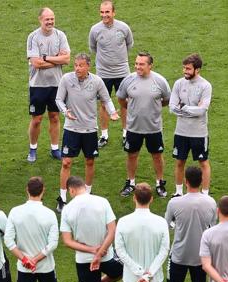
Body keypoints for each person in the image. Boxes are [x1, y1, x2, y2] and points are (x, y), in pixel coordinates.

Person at [60, 175, 121, 282]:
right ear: (84, 187)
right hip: (106, 255)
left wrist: (91, 251)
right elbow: (112, 230)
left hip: (84, 260)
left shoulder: (67, 209)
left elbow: (67, 241)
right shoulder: (102, 201)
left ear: (71, 190)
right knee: (123, 270)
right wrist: (100, 251)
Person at [55, 53, 119, 212]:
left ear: (88, 66)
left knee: (90, 161)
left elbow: (106, 99)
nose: (77, 68)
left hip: (90, 129)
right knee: (66, 162)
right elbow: (58, 100)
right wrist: (65, 112)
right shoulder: (66, 79)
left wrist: (112, 113)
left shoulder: (97, 81)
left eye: (81, 65)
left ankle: (87, 194)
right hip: (71, 128)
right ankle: (62, 198)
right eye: (76, 65)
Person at [162, 166, 216, 282]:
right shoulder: (210, 202)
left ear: (185, 182)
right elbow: (213, 227)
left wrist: (179, 225)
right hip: (201, 258)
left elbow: (166, 223)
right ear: (201, 181)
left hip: (178, 256)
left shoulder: (174, 203)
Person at [4, 177, 60, 282]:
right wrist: (35, 259)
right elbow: (53, 244)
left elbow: (8, 240)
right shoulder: (49, 214)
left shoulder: (15, 212)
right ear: (43, 191)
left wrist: (25, 260)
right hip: (46, 267)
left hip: (25, 268)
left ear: (27, 190)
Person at [117, 52, 170, 197]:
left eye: (141, 64)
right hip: (133, 127)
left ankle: (160, 183)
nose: (137, 67)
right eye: (136, 63)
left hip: (154, 127)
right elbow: (121, 100)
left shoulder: (160, 81)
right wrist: (133, 109)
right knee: (132, 155)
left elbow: (166, 100)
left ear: (150, 65)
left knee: (157, 155)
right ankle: (131, 182)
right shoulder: (128, 80)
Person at [26, 7, 71, 162]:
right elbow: (36, 63)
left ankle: (54, 148)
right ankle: (32, 148)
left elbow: (66, 59)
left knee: (54, 116)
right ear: (40, 20)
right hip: (38, 85)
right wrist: (55, 59)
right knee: (37, 119)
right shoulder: (33, 37)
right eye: (47, 19)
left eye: (52, 19)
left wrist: (45, 58)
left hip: (57, 84)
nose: (50, 22)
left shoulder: (60, 35)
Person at [88, 0, 133, 147]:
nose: (104, 15)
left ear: (113, 12)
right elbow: (93, 48)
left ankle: (126, 133)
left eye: (107, 12)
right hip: (103, 73)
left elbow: (129, 44)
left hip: (122, 72)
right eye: (102, 12)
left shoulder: (124, 28)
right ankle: (104, 135)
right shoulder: (95, 30)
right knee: (103, 104)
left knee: (125, 103)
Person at [169, 54, 212, 195]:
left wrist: (184, 108)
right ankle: (178, 192)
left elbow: (202, 110)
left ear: (197, 69)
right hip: (181, 132)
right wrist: (191, 109)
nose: (185, 71)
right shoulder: (178, 84)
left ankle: (205, 193)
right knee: (179, 162)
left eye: (188, 69)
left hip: (199, 133)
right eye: (184, 68)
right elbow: (172, 107)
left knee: (203, 163)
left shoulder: (205, 86)